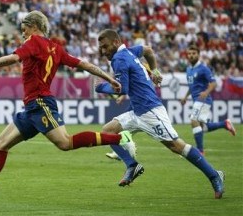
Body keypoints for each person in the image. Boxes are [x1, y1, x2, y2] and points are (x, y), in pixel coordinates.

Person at [0, 11, 131, 205]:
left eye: (25, 30)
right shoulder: (56, 49)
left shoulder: (33, 42)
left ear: (34, 27)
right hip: (31, 107)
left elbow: (13, 58)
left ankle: (120, 138)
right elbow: (83, 64)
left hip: (40, 103)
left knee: (65, 143)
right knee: (1, 144)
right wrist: (108, 78)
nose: (23, 35)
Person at [95, 29, 225, 199]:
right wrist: (154, 70)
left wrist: (101, 87)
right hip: (137, 110)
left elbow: (123, 89)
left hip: (150, 111)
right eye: (101, 48)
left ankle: (215, 175)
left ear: (116, 42)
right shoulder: (128, 51)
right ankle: (132, 165)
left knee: (177, 147)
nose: (104, 52)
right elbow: (148, 50)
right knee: (107, 132)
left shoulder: (119, 59)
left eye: (106, 47)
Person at [180, 44, 236, 154]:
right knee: (203, 127)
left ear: (198, 55)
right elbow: (192, 86)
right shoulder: (188, 69)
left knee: (193, 120)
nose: (191, 56)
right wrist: (185, 97)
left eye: (193, 53)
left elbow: (214, 83)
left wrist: (206, 92)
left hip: (203, 99)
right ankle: (224, 124)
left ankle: (200, 151)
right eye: (189, 54)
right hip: (197, 99)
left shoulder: (203, 69)